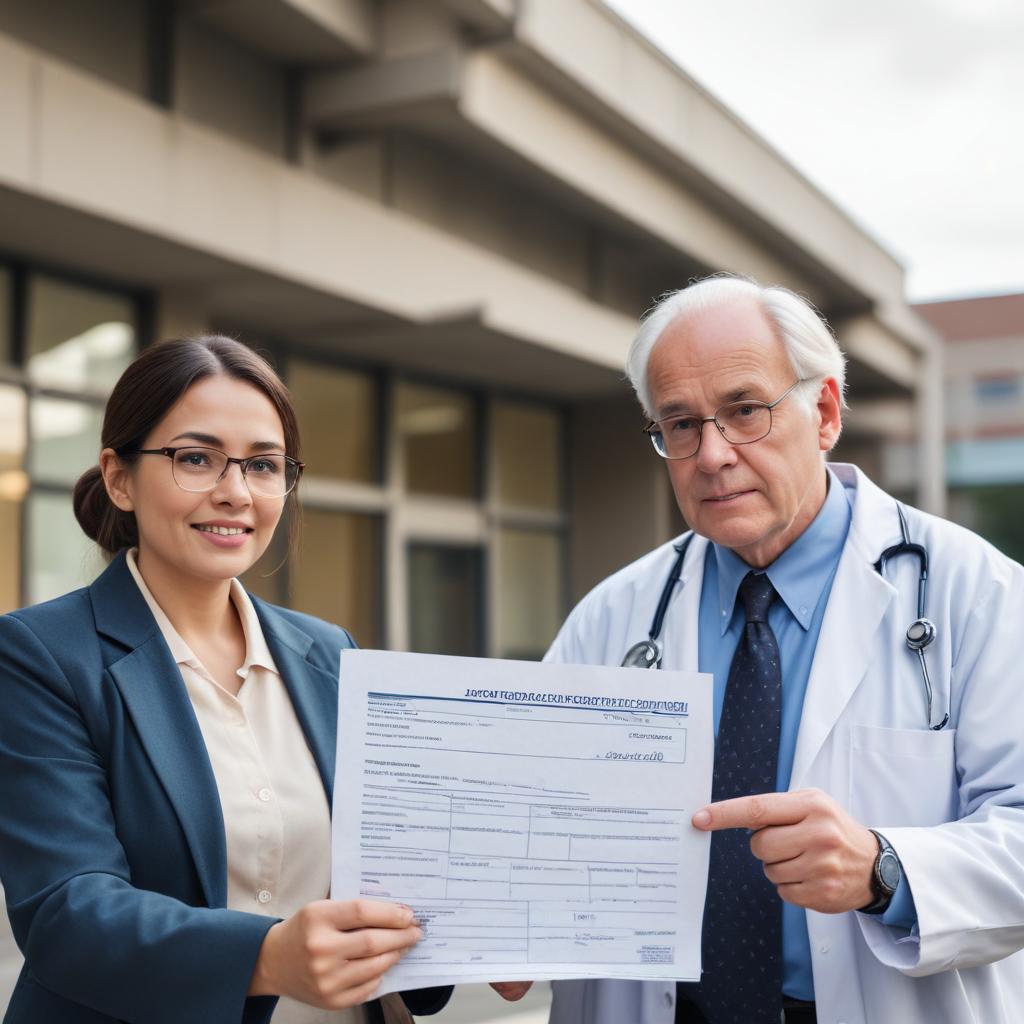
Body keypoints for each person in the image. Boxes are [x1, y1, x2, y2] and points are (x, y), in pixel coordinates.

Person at [527, 275, 1024, 1024]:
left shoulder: (976, 592)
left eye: (744, 411)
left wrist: (885, 870)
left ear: (824, 412)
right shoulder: (614, 615)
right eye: (681, 424)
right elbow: (533, 814)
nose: (711, 454)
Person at [0, 337, 449, 1024]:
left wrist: (490, 939)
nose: (235, 493)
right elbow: (67, 909)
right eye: (196, 458)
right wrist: (266, 958)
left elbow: (393, 865)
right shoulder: (40, 654)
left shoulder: (329, 653)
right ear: (119, 477)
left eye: (263, 465)